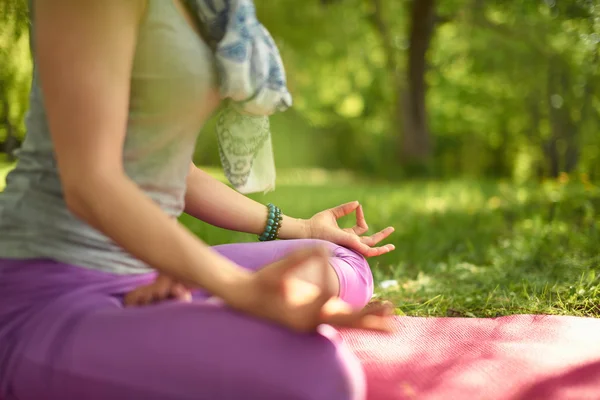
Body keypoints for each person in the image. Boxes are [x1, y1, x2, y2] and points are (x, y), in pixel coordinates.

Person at [0, 1, 396, 399]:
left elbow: (177, 173)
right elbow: (90, 182)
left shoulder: (209, 8)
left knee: (344, 262)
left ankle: (178, 311)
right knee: (321, 378)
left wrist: (303, 227)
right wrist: (238, 288)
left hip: (147, 274)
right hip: (47, 289)